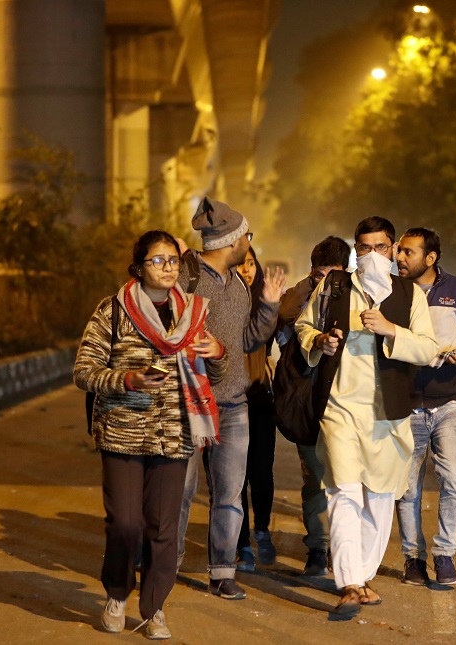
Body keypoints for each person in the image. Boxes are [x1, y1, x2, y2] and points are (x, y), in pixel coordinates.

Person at [74, 230, 227, 640]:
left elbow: (213, 376)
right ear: (138, 267)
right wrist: (128, 379)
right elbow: (83, 370)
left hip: (175, 435)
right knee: (125, 523)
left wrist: (217, 355)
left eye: (173, 260)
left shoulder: (192, 315)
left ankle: (155, 607)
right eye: (158, 260)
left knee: (164, 528)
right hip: (122, 432)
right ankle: (117, 595)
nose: (168, 267)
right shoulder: (112, 312)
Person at [293, 216, 437, 617]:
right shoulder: (335, 286)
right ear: (355, 250)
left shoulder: (410, 295)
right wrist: (319, 340)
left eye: (379, 247)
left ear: (392, 250)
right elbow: (304, 327)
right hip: (340, 410)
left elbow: (429, 349)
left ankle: (364, 575)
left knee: (378, 498)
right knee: (343, 491)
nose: (371, 255)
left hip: (387, 416)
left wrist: (391, 329)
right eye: (363, 248)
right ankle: (350, 582)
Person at [175, 197, 285, 601]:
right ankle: (166, 565)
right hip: (190, 403)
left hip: (234, 404)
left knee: (230, 494)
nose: (249, 243)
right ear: (231, 240)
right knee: (181, 492)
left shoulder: (238, 282)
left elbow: (248, 341)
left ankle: (222, 571)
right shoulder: (186, 278)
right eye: (246, 236)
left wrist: (269, 304)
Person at [393, 228, 456, 586]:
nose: (399, 258)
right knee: (407, 488)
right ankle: (412, 559)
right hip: (405, 406)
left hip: (449, 403)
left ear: (430, 258)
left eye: (408, 252)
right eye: (398, 251)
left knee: (454, 479)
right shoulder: (393, 292)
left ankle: (445, 554)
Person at [275, 235, 351, 576]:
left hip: (346, 398)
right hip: (306, 396)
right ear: (312, 271)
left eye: (336, 275)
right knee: (315, 479)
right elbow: (281, 321)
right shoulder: (299, 296)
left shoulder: (357, 295)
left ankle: (346, 550)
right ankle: (317, 550)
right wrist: (309, 291)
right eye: (322, 275)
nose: (328, 283)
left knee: (347, 480)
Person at [234, 246, 277, 572]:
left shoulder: (267, 303)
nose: (247, 269)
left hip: (260, 397)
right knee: (234, 478)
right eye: (242, 263)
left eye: (251, 264)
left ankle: (261, 530)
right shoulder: (224, 303)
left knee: (261, 473)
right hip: (229, 397)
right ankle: (241, 545)